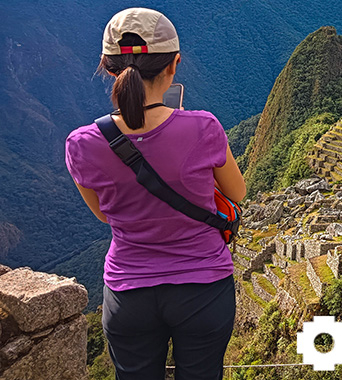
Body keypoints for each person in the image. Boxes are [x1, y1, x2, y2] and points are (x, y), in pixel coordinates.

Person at [65, 8, 246, 379]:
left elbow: (104, 213)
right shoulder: (203, 127)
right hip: (203, 287)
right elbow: (237, 192)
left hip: (129, 291)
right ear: (174, 65)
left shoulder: (82, 144)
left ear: (108, 67)